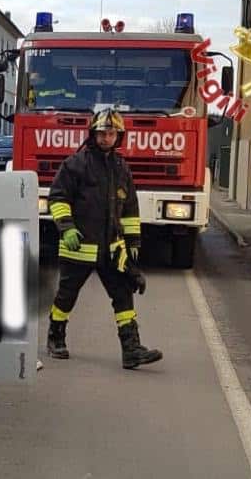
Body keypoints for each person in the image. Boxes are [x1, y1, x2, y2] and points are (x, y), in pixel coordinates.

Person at [46, 108, 161, 369]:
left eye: (110, 133)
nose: (106, 138)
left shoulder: (121, 168)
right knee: (67, 296)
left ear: (118, 137)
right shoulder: (75, 164)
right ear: (93, 134)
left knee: (123, 295)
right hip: (79, 248)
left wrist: (132, 244)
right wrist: (67, 228)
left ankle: (131, 349)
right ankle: (55, 337)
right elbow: (58, 197)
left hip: (111, 250)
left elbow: (130, 210)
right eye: (101, 133)